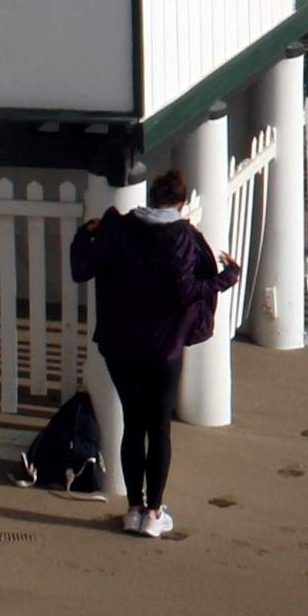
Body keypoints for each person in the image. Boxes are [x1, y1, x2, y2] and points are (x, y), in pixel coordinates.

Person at [67, 167, 239, 536]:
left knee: (133, 423)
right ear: (181, 203)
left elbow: (82, 270)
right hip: (164, 350)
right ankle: (154, 514)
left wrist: (84, 235)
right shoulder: (186, 239)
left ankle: (132, 508)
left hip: (120, 347)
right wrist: (230, 275)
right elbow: (194, 289)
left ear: (151, 199)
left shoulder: (119, 231)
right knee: (159, 428)